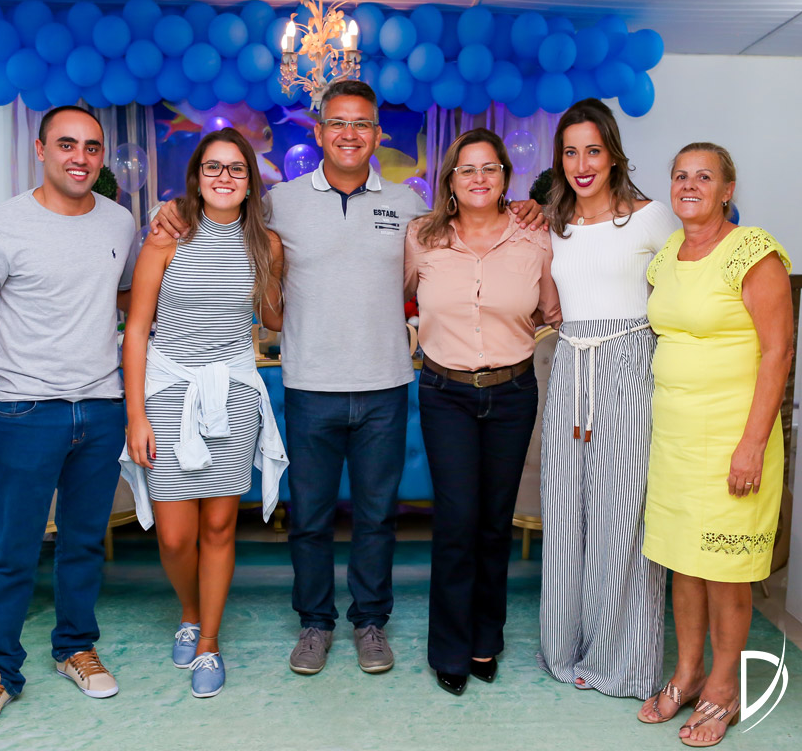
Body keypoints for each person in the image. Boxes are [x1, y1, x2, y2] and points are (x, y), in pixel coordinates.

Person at [148, 81, 546, 676]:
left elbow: (464, 237)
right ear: (319, 132)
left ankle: (370, 622)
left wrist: (526, 208)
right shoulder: (279, 202)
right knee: (309, 518)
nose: (349, 133)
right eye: (338, 122)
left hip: (385, 384)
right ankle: (315, 623)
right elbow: (222, 212)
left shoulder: (410, 208)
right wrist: (176, 209)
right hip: (309, 384)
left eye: (362, 123)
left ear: (377, 134)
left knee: (377, 517)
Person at [0, 105, 137, 737]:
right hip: (27, 410)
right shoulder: (1, 226)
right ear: (41, 149)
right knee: (13, 549)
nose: (80, 157)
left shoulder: (119, 220)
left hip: (102, 407)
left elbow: (126, 297)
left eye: (91, 147)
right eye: (67, 145)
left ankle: (75, 647)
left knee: (83, 543)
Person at [120, 128, 287, 698]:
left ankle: (209, 642)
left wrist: (283, 271)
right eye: (213, 167)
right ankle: (189, 611)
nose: (224, 177)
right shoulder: (167, 237)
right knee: (173, 537)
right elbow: (136, 331)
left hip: (234, 393)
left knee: (219, 526)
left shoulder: (266, 245)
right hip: (169, 391)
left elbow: (272, 318)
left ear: (250, 182)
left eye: (236, 168)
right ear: (196, 177)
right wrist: (136, 415)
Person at [637, 142, 793, 748]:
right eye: (681, 175)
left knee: (725, 570)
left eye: (704, 177)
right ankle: (688, 672)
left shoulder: (753, 251)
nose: (689, 185)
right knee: (684, 562)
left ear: (728, 190)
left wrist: (753, 443)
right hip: (675, 438)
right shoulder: (668, 256)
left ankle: (724, 689)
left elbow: (777, 351)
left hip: (733, 437)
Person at [405, 128, 560, 696]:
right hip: (444, 393)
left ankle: (484, 638)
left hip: (512, 393)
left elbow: (552, 310)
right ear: (450, 179)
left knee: (494, 521)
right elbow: (394, 296)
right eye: (466, 168)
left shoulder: (535, 237)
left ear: (504, 177)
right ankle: (449, 646)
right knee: (456, 521)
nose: (478, 178)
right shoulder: (421, 237)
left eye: (489, 168)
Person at [537, 99, 678, 699]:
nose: (582, 164)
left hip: (630, 367)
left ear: (614, 154)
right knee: (567, 511)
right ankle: (567, 648)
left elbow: (683, 294)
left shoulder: (652, 219)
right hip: (572, 369)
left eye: (593, 151)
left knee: (623, 515)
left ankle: (622, 662)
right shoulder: (553, 223)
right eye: (570, 153)